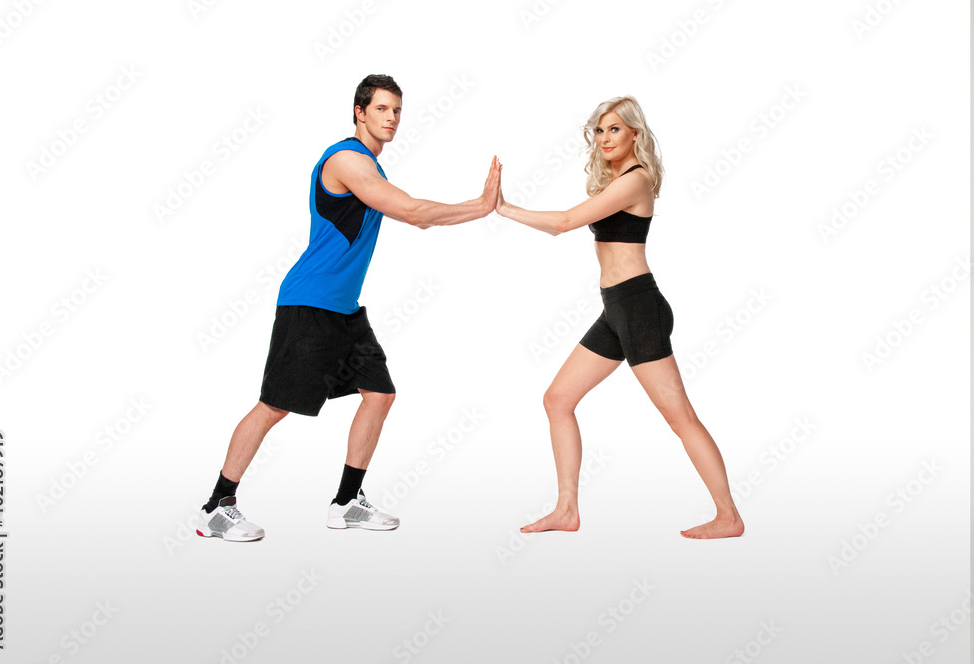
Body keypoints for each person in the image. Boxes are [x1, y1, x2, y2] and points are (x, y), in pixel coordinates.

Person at [196, 74, 500, 541]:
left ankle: (346, 502)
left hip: (344, 310)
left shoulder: (372, 169)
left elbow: (416, 219)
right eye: (382, 109)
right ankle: (217, 506)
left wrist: (477, 208)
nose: (392, 118)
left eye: (397, 110)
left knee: (379, 394)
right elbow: (415, 213)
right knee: (273, 407)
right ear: (360, 113)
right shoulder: (346, 160)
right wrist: (480, 206)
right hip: (309, 303)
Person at [494, 96, 743, 539]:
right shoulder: (613, 181)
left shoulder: (636, 179)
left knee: (680, 416)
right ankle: (566, 509)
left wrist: (504, 207)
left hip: (638, 308)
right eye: (599, 130)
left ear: (635, 135)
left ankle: (728, 515)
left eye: (615, 129)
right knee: (557, 400)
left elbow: (566, 222)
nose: (605, 138)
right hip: (617, 308)